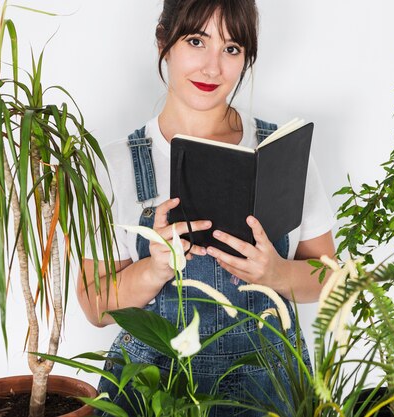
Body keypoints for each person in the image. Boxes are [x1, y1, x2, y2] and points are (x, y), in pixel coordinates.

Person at [77, 0, 335, 415]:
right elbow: (94, 306)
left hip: (268, 384)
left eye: (231, 49)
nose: (212, 68)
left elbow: (328, 276)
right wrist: (155, 267)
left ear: (247, 57)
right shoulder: (116, 163)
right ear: (164, 39)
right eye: (197, 41)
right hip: (153, 387)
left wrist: (278, 273)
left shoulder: (281, 153)